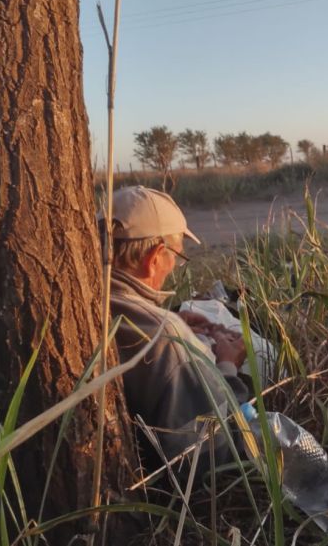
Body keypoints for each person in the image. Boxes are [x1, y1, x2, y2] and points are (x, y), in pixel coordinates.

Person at [99, 185, 250, 469]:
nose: (173, 268)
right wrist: (228, 365)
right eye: (176, 257)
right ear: (154, 257)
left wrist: (169, 318)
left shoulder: (85, 301)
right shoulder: (166, 338)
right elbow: (211, 457)